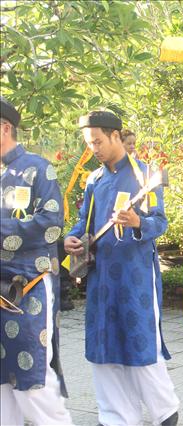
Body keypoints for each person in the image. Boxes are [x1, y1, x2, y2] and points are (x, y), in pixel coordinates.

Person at [64, 110, 179, 425]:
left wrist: (137, 221)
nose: (94, 149)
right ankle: (116, 416)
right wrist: (72, 238)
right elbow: (84, 221)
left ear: (115, 135)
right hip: (101, 276)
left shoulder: (145, 175)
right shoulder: (94, 179)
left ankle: (164, 411)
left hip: (135, 275)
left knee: (140, 340)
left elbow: (160, 222)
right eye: (89, 144)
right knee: (104, 343)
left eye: (98, 142)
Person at [0, 97, 72, 425]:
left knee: (33, 376)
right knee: (2, 380)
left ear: (5, 128)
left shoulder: (38, 169)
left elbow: (51, 223)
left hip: (28, 285)